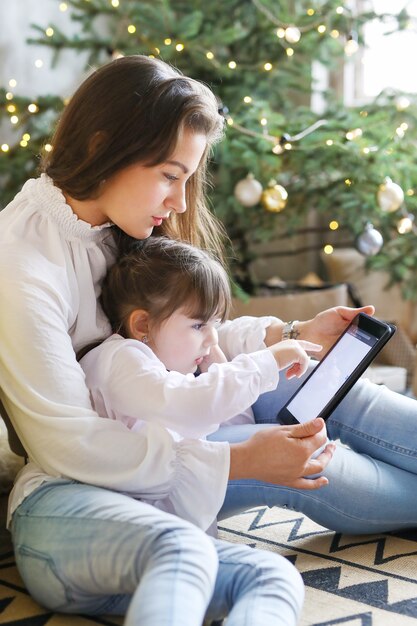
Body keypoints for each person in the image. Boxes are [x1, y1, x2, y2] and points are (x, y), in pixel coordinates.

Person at [0, 53, 415, 624]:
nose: (181, 201)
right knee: (309, 456)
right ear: (102, 148)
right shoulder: (21, 264)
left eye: (187, 179)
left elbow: (188, 338)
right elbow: (73, 446)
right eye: (170, 176)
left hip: (162, 420)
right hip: (107, 468)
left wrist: (290, 334)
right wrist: (242, 458)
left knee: (321, 384)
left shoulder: (116, 224)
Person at [79, 235, 324, 530]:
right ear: (142, 324)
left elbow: (228, 425)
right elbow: (194, 406)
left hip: (178, 520)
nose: (212, 338)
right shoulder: (119, 360)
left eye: (214, 324)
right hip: (139, 527)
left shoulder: (165, 369)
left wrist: (215, 364)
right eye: (198, 325)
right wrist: (268, 361)